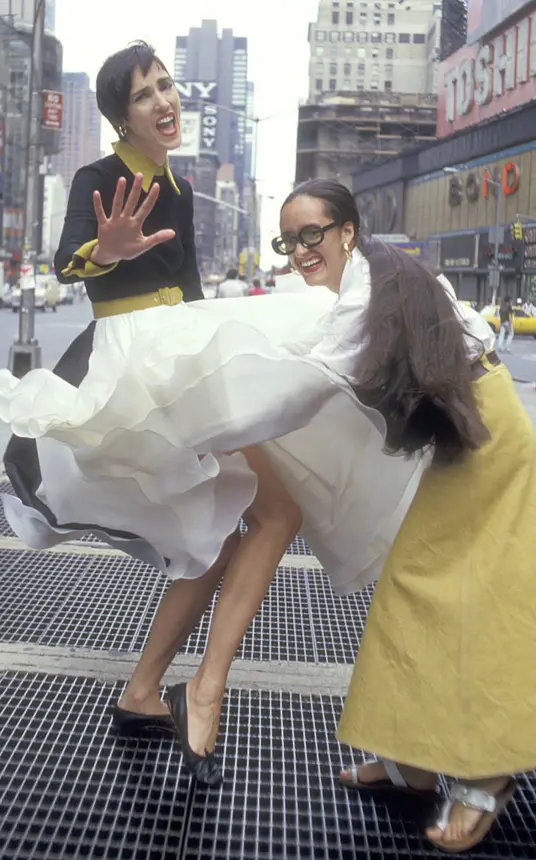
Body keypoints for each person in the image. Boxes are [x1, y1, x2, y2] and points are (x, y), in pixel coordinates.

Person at [0, 44, 425, 788]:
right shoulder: (100, 178)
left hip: (179, 357)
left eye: (166, 86)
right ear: (121, 117)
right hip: (136, 366)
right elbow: (67, 261)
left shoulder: (181, 190)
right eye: (143, 95)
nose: (163, 102)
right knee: (273, 515)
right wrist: (105, 249)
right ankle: (204, 689)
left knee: (227, 533)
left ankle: (145, 690)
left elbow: (189, 297)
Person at [273, 179, 536, 853]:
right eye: (289, 240)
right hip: (475, 422)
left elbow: (294, 392)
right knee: (417, 583)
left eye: (312, 234)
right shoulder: (381, 274)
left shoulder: (362, 297)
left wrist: (195, 425)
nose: (300, 251)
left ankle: (490, 768)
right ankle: (413, 760)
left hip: (481, 434)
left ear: (347, 231)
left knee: (466, 594)